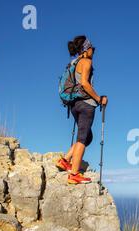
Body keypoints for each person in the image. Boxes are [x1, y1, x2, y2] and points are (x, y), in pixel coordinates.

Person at [56, 35, 108, 184]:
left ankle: (65, 160)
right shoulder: (86, 62)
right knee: (82, 139)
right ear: (86, 49)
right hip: (85, 105)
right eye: (92, 48)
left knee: (87, 137)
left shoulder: (74, 63)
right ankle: (74, 174)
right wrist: (99, 99)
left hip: (74, 104)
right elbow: (85, 83)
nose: (94, 51)